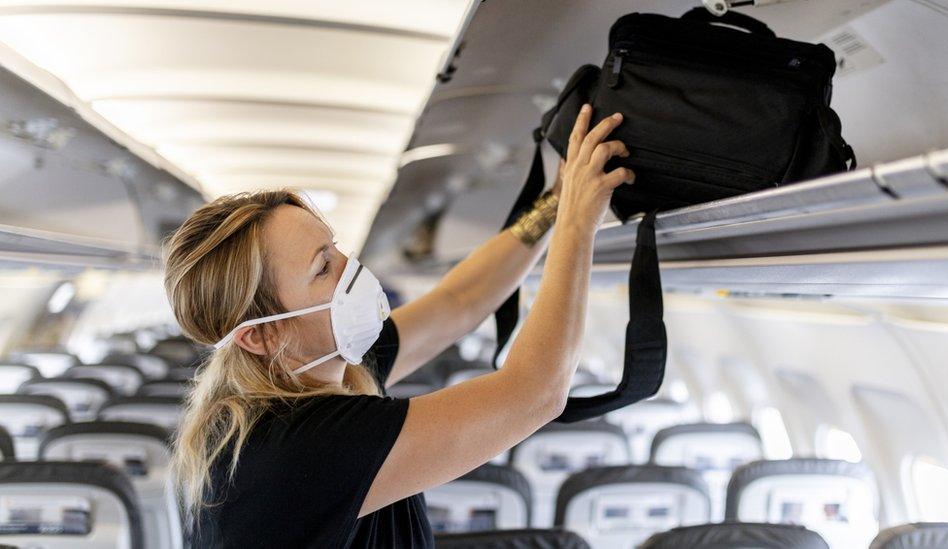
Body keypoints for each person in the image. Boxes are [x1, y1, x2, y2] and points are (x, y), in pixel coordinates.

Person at [163, 104, 634, 548]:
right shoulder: (296, 444)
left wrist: (552, 204)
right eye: (323, 268)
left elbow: (459, 300)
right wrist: (578, 223)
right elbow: (535, 393)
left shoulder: (327, 364)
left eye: (336, 248)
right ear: (261, 334)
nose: (351, 268)